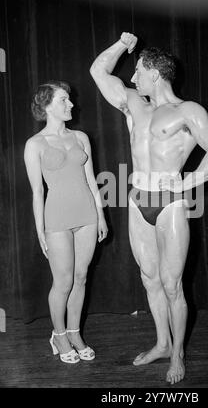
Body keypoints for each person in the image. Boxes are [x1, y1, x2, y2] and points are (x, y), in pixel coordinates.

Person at [90, 32, 208, 384]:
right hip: (138, 198)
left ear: (155, 72)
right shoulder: (133, 103)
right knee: (149, 279)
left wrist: (187, 182)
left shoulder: (188, 111)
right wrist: (123, 45)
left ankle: (179, 352)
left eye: (137, 71)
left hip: (169, 203)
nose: (132, 77)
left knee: (172, 285)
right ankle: (162, 343)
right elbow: (98, 71)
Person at [24, 81, 108, 364]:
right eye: (63, 100)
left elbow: (91, 181)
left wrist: (101, 215)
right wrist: (40, 231)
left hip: (86, 215)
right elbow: (37, 192)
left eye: (69, 99)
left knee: (81, 277)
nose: (70, 104)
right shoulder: (34, 144)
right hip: (57, 217)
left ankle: (74, 332)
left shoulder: (81, 137)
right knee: (63, 281)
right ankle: (58, 335)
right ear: (47, 105)